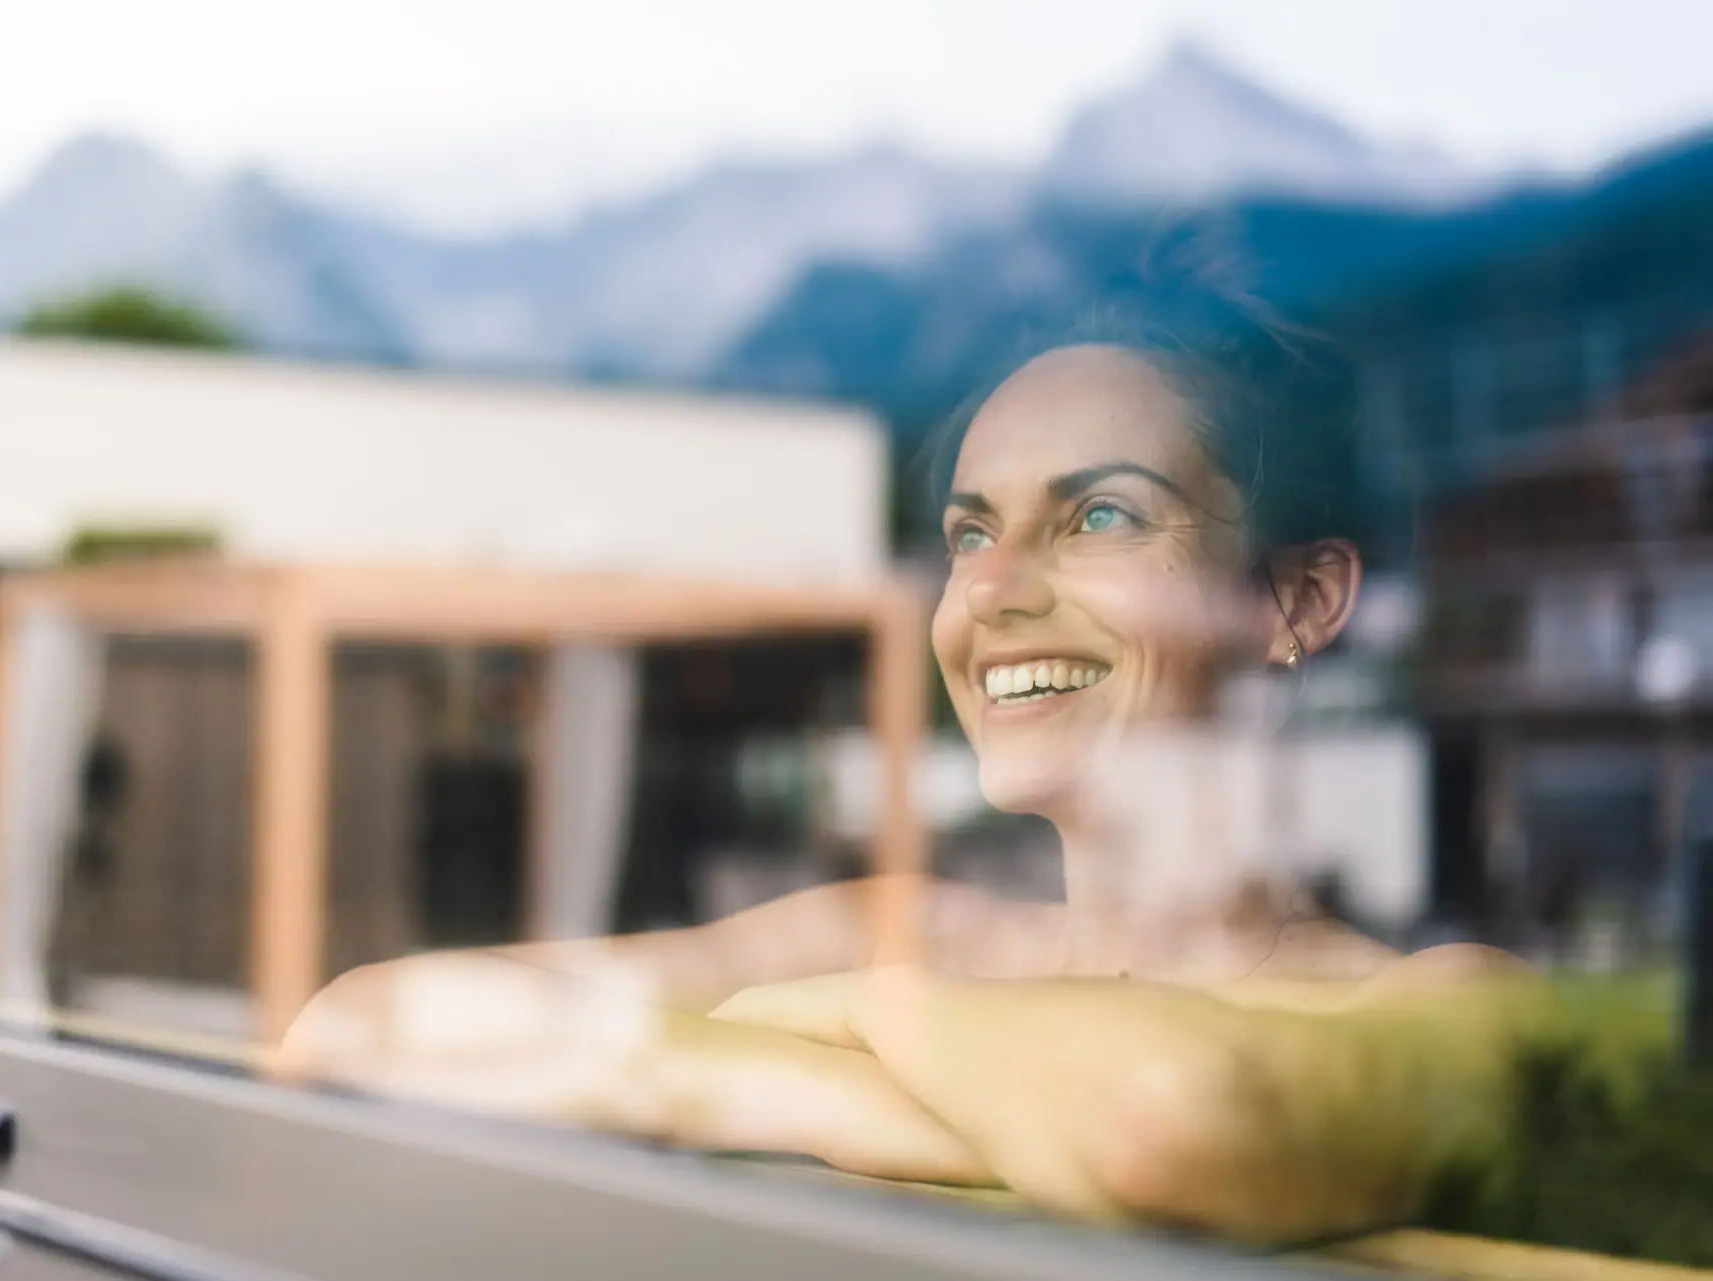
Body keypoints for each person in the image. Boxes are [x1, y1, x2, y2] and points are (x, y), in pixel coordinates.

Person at [277, 239, 1560, 1246]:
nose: (993, 592)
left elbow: (1170, 1130)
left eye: (1102, 517)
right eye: (966, 533)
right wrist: (909, 1087)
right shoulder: (894, 936)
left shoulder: (1457, 1007)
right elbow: (361, 1025)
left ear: (1298, 601)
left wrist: (820, 1020)